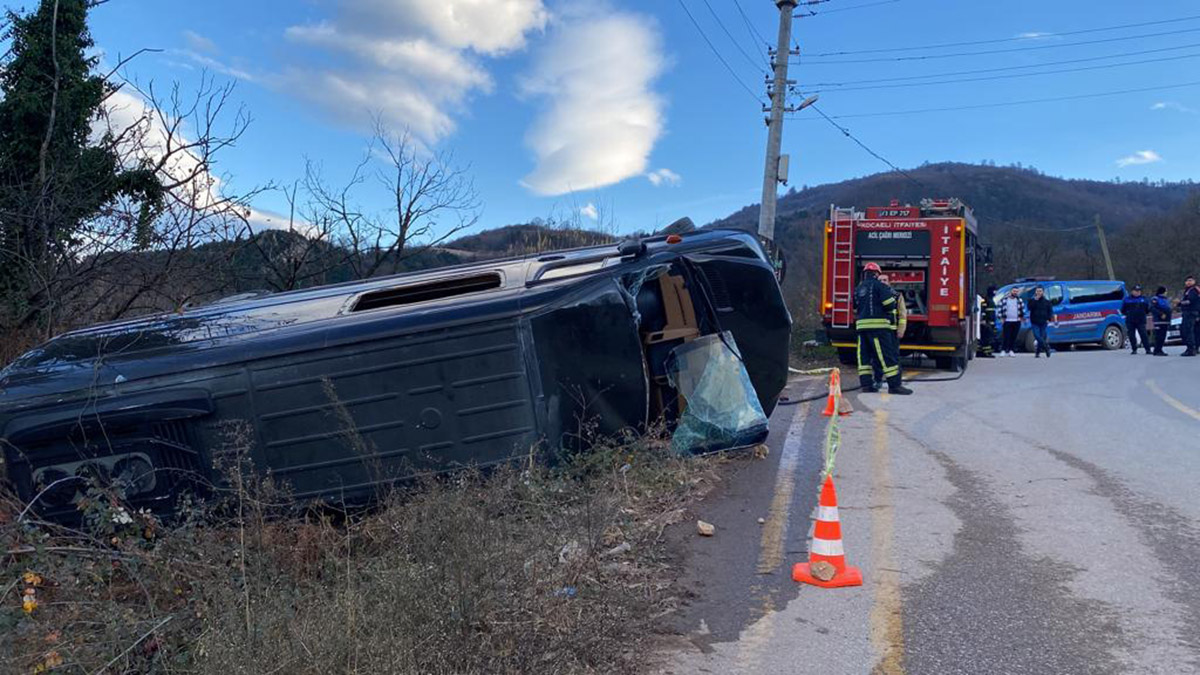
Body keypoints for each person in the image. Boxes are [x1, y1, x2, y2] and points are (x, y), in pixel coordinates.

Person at [854, 262, 912, 395]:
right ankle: (894, 386)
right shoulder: (880, 286)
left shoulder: (859, 288)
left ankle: (866, 385)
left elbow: (855, 305)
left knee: (864, 357)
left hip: (861, 327)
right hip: (878, 327)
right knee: (887, 356)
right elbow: (889, 305)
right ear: (876, 274)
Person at [873, 274, 908, 386]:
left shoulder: (897, 296)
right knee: (877, 357)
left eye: (885, 280)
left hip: (892, 331)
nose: (882, 282)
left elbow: (902, 314)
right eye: (880, 280)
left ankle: (897, 381)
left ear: (889, 282)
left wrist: (901, 330)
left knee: (894, 357)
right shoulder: (872, 295)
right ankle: (877, 380)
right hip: (878, 330)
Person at [1120, 285, 1152, 355]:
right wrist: (1128, 313)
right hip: (1130, 320)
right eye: (1136, 291)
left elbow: (1148, 309)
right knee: (1131, 335)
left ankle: (1148, 349)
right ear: (1132, 291)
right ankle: (1134, 349)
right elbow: (1123, 310)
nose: (1137, 292)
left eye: (1139, 291)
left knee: (1144, 335)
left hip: (1141, 320)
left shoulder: (1144, 299)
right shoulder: (1127, 299)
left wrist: (1143, 313)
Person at [1026, 286, 1056, 358]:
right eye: (1037, 291)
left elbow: (1050, 311)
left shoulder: (1047, 302)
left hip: (1043, 322)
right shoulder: (1032, 300)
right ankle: (1046, 347)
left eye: (1040, 291)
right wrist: (1035, 300)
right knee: (1037, 336)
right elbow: (1029, 308)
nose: (1038, 293)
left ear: (1043, 292)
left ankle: (1038, 352)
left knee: (1042, 337)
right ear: (1035, 292)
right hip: (1034, 321)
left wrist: (1049, 319)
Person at [996, 286, 1026, 356]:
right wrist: (1001, 318)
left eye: (1016, 291)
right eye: (1014, 291)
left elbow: (1023, 309)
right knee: (1006, 336)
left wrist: (1022, 317)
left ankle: (1011, 350)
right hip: (1007, 320)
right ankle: (1003, 350)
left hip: (1016, 321)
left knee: (1014, 336)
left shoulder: (1019, 300)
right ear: (1010, 291)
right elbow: (999, 309)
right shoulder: (1004, 300)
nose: (1015, 293)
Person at [1181, 276, 1200, 357]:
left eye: (1190, 280)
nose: (1188, 282)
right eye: (1187, 281)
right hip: (1195, 312)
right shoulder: (1193, 290)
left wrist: (1180, 303)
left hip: (1190, 312)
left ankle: (1190, 349)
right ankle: (1195, 348)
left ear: (1194, 281)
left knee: (1188, 331)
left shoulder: (1192, 290)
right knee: (1195, 331)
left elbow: (1190, 301)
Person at [1151, 286, 1172, 356]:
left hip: (1166, 321)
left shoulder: (1166, 299)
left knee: (1163, 336)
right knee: (1159, 336)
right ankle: (1157, 350)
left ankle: (1159, 349)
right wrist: (1161, 314)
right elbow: (1152, 308)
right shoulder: (1155, 299)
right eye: (1166, 291)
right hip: (1159, 321)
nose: (1166, 293)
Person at [977, 289, 997, 358]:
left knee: (989, 337)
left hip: (991, 322)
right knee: (986, 338)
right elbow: (983, 310)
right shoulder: (986, 300)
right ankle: (985, 352)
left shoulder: (991, 300)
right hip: (986, 322)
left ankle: (986, 352)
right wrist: (983, 319)